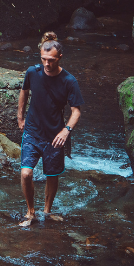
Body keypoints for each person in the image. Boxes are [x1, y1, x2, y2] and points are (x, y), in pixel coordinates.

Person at [16, 31, 83, 227]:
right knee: (26, 173)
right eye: (44, 59)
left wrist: (66, 130)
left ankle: (47, 212)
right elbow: (24, 91)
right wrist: (20, 117)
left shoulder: (69, 81)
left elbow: (76, 111)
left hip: (55, 135)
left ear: (59, 58)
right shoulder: (32, 72)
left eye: (51, 60)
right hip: (32, 131)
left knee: (51, 175)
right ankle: (30, 213)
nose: (46, 64)